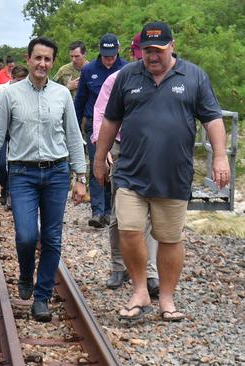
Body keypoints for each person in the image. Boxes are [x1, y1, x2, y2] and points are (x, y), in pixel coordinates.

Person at [94, 21, 229, 322]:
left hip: (173, 175)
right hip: (131, 172)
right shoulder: (128, 75)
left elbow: (213, 119)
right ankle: (140, 290)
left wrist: (220, 156)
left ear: (172, 46)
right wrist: (99, 157)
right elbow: (111, 119)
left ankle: (166, 299)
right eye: (146, 50)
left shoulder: (193, 76)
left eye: (158, 49)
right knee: (128, 230)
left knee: (169, 239)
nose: (152, 56)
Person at [0, 37, 87, 322]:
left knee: (52, 237)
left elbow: (74, 136)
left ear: (52, 63)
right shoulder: (10, 94)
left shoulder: (62, 95)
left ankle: (42, 296)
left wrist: (81, 176)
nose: (42, 64)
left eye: (47, 59)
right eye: (37, 58)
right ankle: (26, 272)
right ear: (28, 59)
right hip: (22, 174)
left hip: (56, 173)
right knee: (26, 235)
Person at [90, 32, 159, 294]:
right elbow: (101, 114)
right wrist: (102, 148)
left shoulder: (167, 78)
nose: (147, 57)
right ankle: (119, 266)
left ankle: (150, 273)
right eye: (142, 51)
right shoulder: (116, 79)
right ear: (132, 53)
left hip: (155, 151)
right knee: (119, 213)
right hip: (121, 148)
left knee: (152, 213)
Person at [75, 33, 128, 229]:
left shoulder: (127, 69)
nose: (108, 58)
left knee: (115, 168)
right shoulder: (89, 70)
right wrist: (74, 125)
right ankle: (98, 211)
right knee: (98, 164)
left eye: (112, 55)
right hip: (94, 124)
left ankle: (110, 211)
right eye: (105, 55)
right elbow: (80, 99)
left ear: (118, 50)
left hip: (120, 128)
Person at [0, 65, 29, 206]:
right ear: (12, 78)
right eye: (18, 80)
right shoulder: (0, 90)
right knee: (2, 163)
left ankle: (10, 192)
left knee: (15, 162)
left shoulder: (28, 91)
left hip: (17, 131)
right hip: (1, 130)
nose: (21, 84)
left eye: (24, 80)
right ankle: (4, 186)